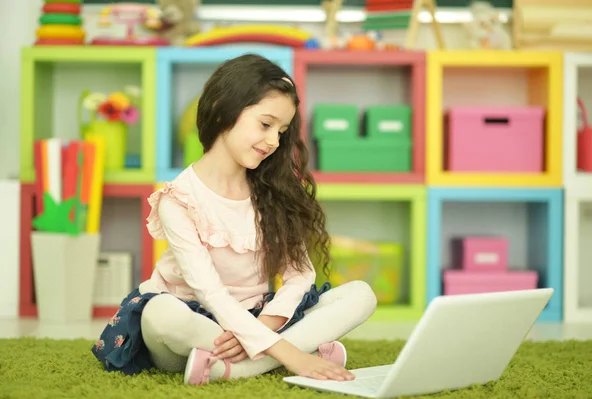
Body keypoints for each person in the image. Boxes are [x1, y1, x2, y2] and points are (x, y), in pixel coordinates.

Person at [91, 53, 378, 385]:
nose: (274, 141)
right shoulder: (178, 199)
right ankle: (294, 353)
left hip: (256, 318)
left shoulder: (273, 189)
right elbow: (208, 292)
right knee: (160, 315)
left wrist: (266, 325)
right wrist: (293, 355)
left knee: (361, 295)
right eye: (265, 124)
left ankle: (231, 369)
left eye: (282, 131)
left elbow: (299, 275)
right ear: (222, 110)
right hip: (194, 320)